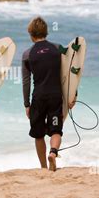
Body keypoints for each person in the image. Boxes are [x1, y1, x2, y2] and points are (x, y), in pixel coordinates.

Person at [21, 17, 75, 171]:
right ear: (46, 32)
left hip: (38, 97)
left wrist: (27, 104)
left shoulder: (27, 54)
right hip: (55, 95)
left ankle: (44, 167)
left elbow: (26, 81)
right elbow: (69, 74)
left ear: (31, 34)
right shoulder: (57, 49)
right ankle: (53, 152)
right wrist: (73, 95)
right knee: (56, 130)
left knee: (38, 134)